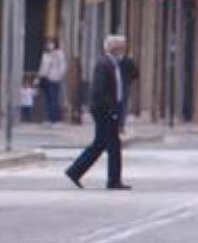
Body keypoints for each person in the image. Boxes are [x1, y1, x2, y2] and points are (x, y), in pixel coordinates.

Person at [66, 35, 133, 190]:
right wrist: (111, 109)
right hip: (105, 111)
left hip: (111, 109)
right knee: (113, 145)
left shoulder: (117, 64)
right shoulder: (104, 64)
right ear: (114, 48)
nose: (123, 50)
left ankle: (75, 171)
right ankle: (113, 180)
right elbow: (99, 90)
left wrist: (127, 59)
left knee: (100, 144)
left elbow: (134, 73)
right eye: (121, 47)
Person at [37, 39, 67, 124]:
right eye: (48, 44)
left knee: (54, 99)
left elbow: (63, 65)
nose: (50, 45)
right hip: (45, 78)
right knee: (47, 99)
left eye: (51, 43)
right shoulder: (45, 55)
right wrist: (39, 77)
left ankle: (54, 119)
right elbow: (42, 67)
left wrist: (59, 75)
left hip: (54, 79)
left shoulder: (59, 54)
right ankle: (47, 118)